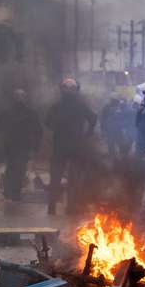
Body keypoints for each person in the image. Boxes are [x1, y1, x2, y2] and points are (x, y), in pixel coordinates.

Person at [45, 78, 97, 215]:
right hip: (75, 146)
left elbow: (47, 123)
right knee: (73, 178)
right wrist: (88, 133)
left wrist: (57, 128)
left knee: (55, 177)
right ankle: (71, 207)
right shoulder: (80, 105)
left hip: (60, 146)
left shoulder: (56, 106)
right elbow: (93, 118)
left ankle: (52, 207)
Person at [0, 89, 42, 201]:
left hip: (12, 145)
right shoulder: (30, 113)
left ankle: (9, 191)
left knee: (12, 168)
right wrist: (36, 146)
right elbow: (38, 130)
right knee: (18, 169)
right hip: (21, 145)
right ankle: (14, 192)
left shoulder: (8, 112)